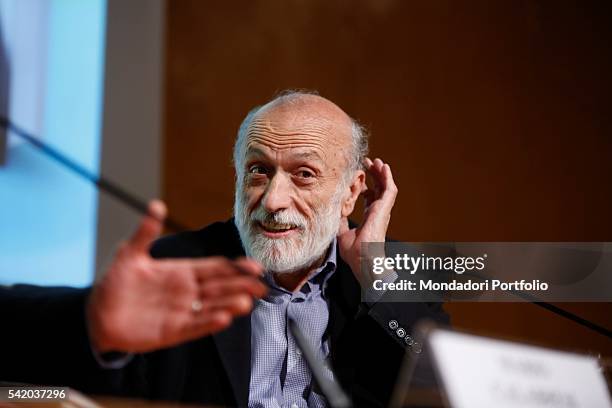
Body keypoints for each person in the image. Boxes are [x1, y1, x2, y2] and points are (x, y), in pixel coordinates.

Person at [0, 91, 448, 407]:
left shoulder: (395, 275)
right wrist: (95, 328)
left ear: (350, 194)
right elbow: (80, 391)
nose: (272, 200)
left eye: (304, 175)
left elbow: (443, 390)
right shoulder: (177, 264)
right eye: (258, 171)